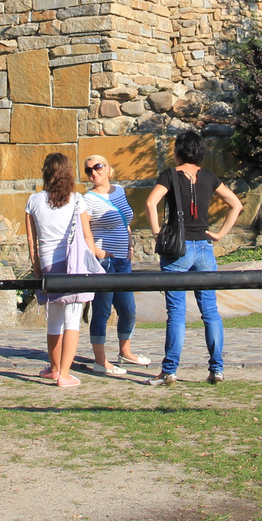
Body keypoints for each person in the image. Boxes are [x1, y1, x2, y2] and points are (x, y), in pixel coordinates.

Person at [144, 131, 242, 387]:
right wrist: (220, 233)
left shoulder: (169, 175)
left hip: (178, 249)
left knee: (176, 312)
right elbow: (236, 204)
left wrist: (157, 233)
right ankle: (217, 369)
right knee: (210, 311)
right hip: (205, 248)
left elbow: (151, 203)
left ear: (178, 151)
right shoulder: (208, 176)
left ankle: (169, 370)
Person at [26, 152, 105, 389]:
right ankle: (65, 374)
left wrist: (37, 269)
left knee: (54, 319)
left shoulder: (33, 201)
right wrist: (94, 261)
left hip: (49, 265)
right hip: (73, 266)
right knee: (72, 320)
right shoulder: (76, 199)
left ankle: (54, 368)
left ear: (46, 173)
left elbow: (32, 242)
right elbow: (86, 235)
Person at [82, 155, 148, 375]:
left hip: (123, 260)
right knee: (102, 309)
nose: (93, 172)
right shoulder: (87, 199)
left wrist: (129, 245)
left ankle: (125, 351)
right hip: (105, 262)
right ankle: (101, 360)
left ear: (108, 169)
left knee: (128, 309)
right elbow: (84, 232)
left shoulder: (119, 191)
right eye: (88, 170)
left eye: (97, 167)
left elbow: (125, 220)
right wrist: (99, 252)